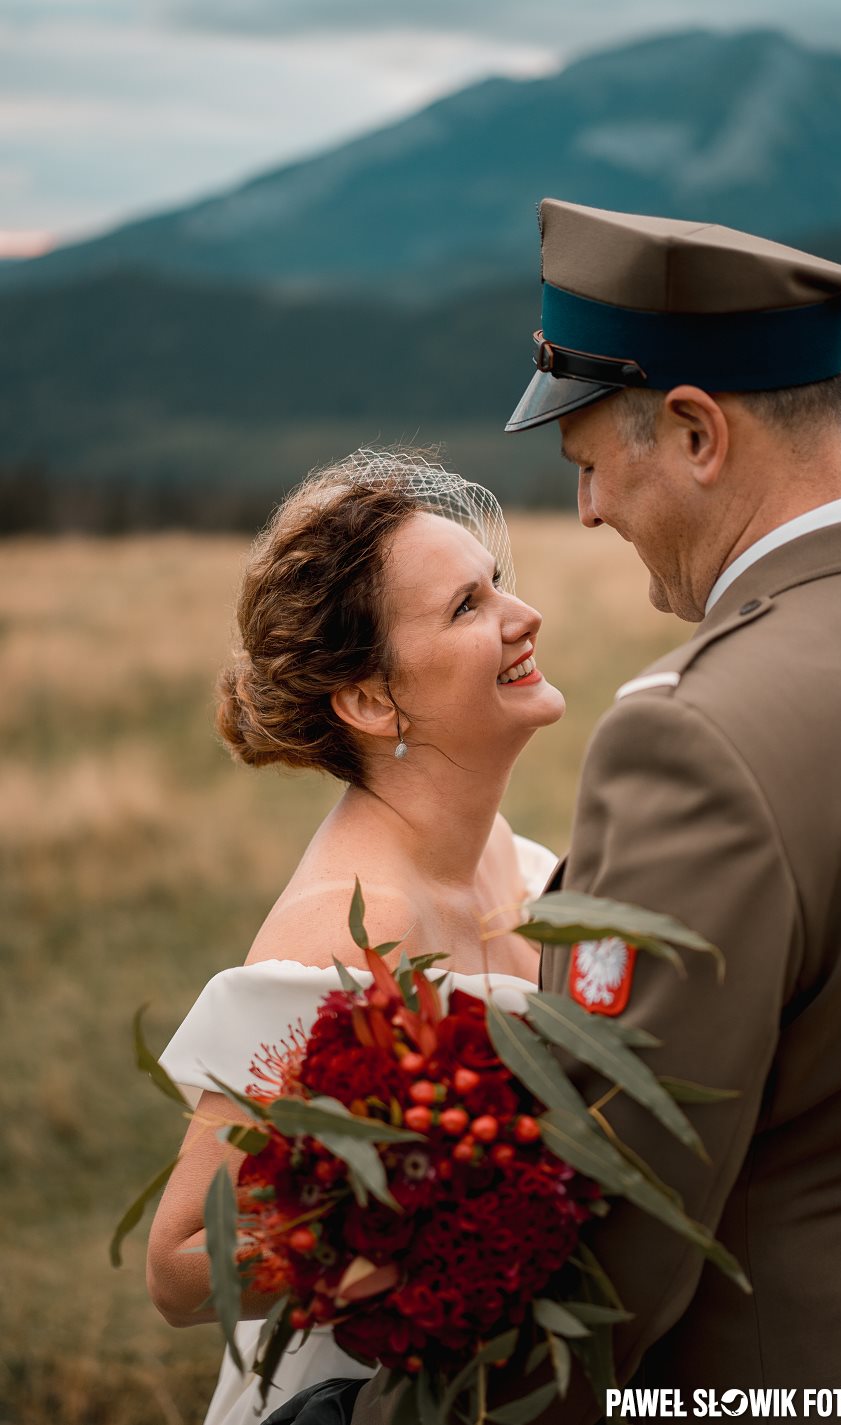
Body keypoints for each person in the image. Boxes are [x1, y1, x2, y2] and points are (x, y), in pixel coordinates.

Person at [497, 199, 841, 1414]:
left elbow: (620, 1216)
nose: (588, 513)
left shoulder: (690, 735)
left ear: (695, 432)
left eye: (590, 465)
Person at [146, 449, 565, 1425]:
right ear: (372, 701)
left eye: (493, 585)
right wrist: (423, 1233)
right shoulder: (346, 932)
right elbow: (178, 1267)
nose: (520, 616)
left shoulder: (518, 860)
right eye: (466, 607)